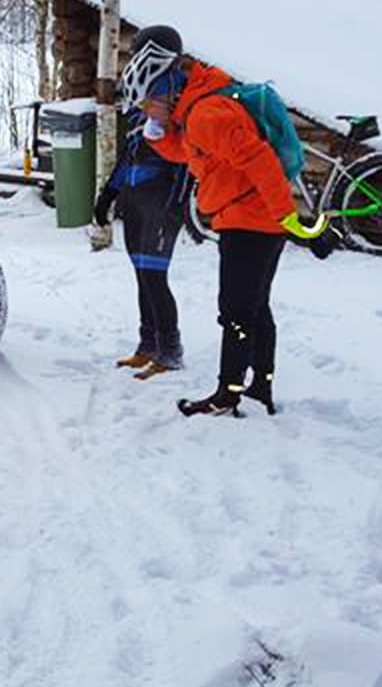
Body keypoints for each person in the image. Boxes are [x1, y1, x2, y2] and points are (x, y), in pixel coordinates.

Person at [116, 29, 327, 417]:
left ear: (165, 91)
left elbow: (261, 162)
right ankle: (260, 385)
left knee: (235, 311)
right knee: (255, 306)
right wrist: (160, 139)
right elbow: (198, 153)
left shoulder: (206, 115)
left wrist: (288, 217)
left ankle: (227, 396)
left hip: (250, 221)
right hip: (250, 218)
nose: (147, 112)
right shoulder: (197, 109)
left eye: (148, 105)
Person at [94, 106, 192, 380]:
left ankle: (170, 351)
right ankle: (148, 346)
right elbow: (126, 162)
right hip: (135, 207)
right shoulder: (139, 120)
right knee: (142, 278)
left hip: (162, 209)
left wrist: (176, 208)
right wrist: (107, 197)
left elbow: (187, 166)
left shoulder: (176, 120)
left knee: (154, 278)